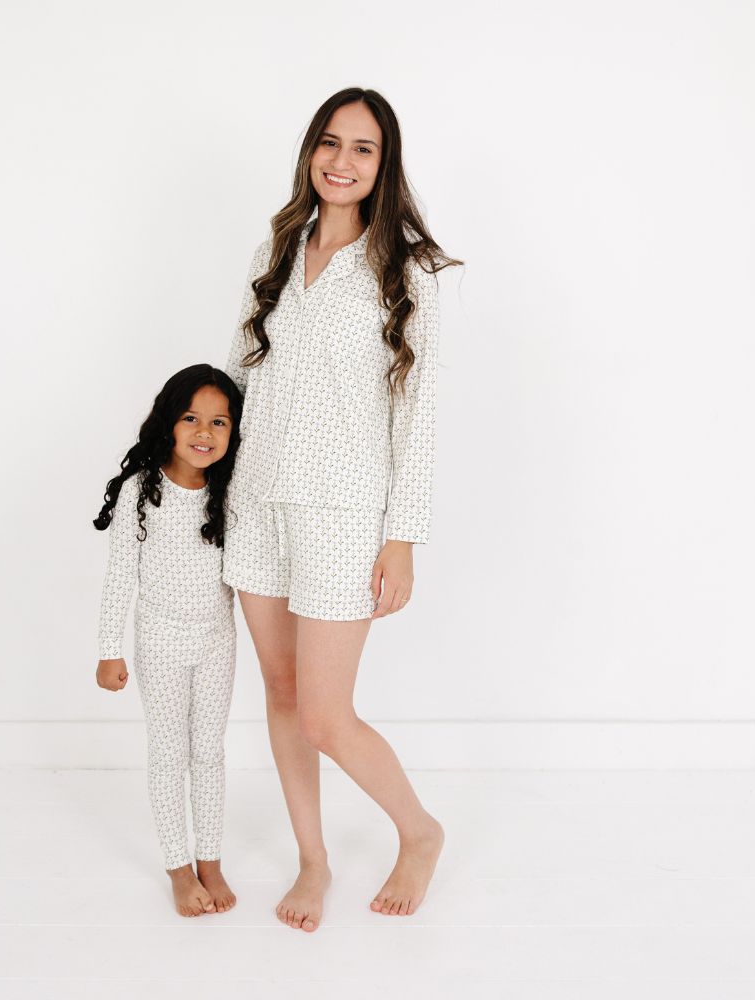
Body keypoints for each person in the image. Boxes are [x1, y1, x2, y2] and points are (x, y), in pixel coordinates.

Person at [222, 87, 464, 932]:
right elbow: (243, 378)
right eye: (330, 142)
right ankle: (313, 861)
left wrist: (402, 540)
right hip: (256, 504)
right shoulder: (279, 247)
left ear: (384, 164)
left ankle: (420, 831)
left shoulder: (409, 271)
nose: (341, 161)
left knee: (327, 713)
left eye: (362, 148)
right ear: (310, 151)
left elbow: (418, 415)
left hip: (343, 513)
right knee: (283, 694)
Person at [93, 364, 244, 918]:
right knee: (168, 753)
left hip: (217, 641)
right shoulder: (143, 490)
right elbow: (119, 577)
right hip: (159, 639)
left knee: (208, 752)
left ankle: (210, 858)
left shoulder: (229, 493)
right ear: (170, 423)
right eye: (191, 418)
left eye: (219, 422)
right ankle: (178, 867)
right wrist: (110, 648)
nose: (205, 433)